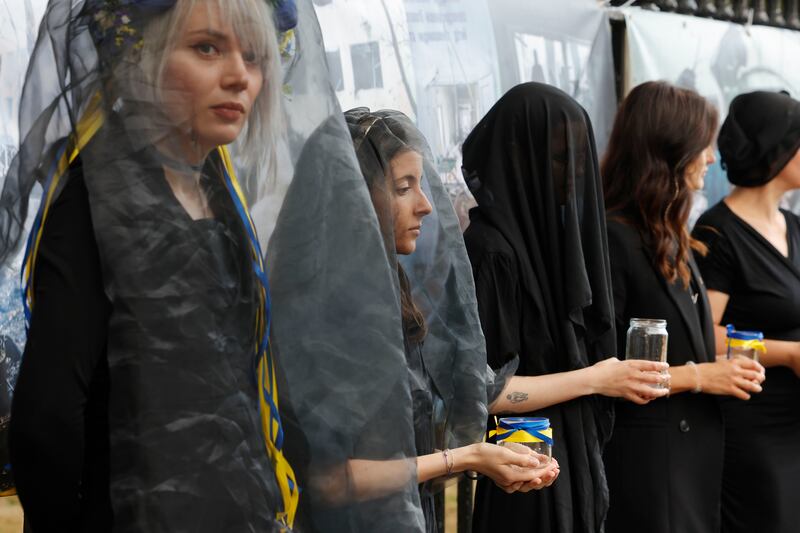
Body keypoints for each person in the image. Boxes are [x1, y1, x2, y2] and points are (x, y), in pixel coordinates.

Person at [4, 1, 301, 530]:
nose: (240, 77)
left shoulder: (217, 191)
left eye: (255, 57)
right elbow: (46, 421)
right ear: (141, 55)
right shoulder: (97, 199)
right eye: (207, 48)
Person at [341, 107, 563, 533]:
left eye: (422, 186)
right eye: (404, 187)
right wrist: (467, 456)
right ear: (354, 196)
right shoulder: (335, 310)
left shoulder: (391, 289)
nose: (425, 206)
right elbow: (332, 479)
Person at [461, 82, 669, 533]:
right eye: (559, 159)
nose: (574, 175)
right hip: (523, 465)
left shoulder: (554, 245)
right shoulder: (491, 249)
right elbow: (491, 391)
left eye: (579, 160)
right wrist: (598, 378)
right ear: (517, 155)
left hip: (570, 456)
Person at [601, 81, 765, 533]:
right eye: (703, 146)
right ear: (670, 150)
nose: (711, 158)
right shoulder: (615, 238)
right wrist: (700, 375)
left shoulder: (670, 233)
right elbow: (604, 368)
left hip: (692, 457)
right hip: (649, 465)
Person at [693, 90, 800, 533]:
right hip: (752, 426)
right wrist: (789, 354)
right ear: (777, 149)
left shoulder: (793, 226)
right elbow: (703, 334)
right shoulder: (717, 232)